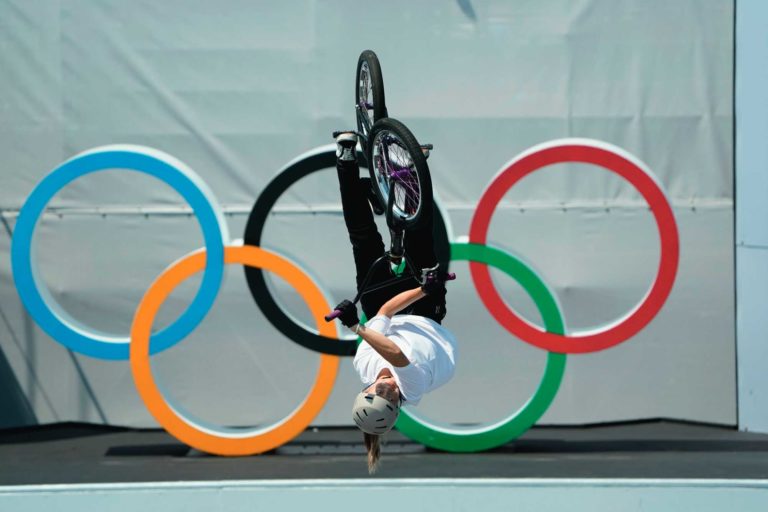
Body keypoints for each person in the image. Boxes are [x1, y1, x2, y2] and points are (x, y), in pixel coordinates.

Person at [331, 131, 458, 473]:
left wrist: (416, 291)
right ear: (398, 406)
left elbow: (386, 311)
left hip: (385, 310)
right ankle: (407, 170)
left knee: (362, 239)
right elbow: (396, 355)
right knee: (419, 235)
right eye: (390, 399)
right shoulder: (412, 389)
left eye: (378, 392)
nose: (387, 389)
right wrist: (426, 291)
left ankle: (344, 159)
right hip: (425, 317)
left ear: (367, 388)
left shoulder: (364, 365)